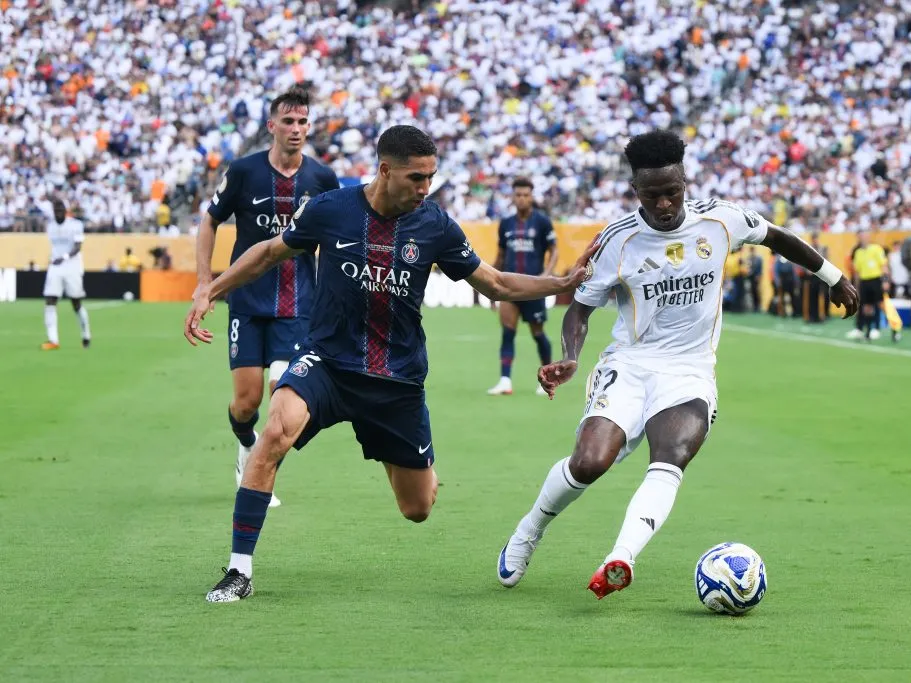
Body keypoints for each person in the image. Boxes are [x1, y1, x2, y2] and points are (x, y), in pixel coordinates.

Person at [184, 124, 597, 603]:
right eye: (416, 178)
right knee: (274, 430)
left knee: (417, 507)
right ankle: (239, 571)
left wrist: (561, 282)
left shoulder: (435, 225)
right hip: (328, 364)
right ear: (385, 170)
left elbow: (497, 283)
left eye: (430, 178)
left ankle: (388, 446)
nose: (425, 189)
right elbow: (269, 254)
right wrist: (209, 289)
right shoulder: (330, 209)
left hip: (396, 381)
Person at [495, 130, 858, 599]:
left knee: (670, 459)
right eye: (653, 195)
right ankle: (529, 531)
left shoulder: (721, 219)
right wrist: (570, 356)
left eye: (672, 192)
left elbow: (778, 237)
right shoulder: (618, 240)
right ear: (635, 192)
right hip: (630, 364)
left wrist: (831, 277)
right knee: (588, 463)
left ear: (685, 181)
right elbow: (581, 308)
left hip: (689, 370)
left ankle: (619, 558)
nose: (664, 204)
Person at [195, 87, 340, 508]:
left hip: (298, 307)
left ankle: (261, 476)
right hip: (247, 302)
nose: (296, 130)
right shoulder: (243, 172)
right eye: (288, 122)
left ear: (308, 127)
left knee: (282, 390)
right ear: (271, 126)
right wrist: (206, 283)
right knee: (246, 404)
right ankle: (246, 445)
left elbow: (333, 242)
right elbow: (209, 222)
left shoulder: (322, 179)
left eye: (302, 122)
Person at [486, 177, 558, 396]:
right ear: (512, 196)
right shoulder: (506, 224)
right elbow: (500, 256)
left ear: (531, 196)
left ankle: (548, 379)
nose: (522, 198)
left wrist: (546, 275)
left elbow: (554, 250)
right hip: (509, 287)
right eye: (518, 195)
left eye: (526, 195)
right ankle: (505, 381)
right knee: (507, 332)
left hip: (533, 287)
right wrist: (491, 285)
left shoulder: (542, 222)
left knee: (538, 334)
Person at [41, 199, 91, 350]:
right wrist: (55, 259)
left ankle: (86, 335)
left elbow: (77, 247)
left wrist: (63, 258)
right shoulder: (50, 227)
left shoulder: (75, 225)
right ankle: (53, 340)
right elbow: (55, 247)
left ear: (65, 211)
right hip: (55, 266)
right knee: (50, 300)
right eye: (55, 211)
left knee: (76, 303)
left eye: (60, 210)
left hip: (72, 266)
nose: (58, 214)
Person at [847, 231, 889, 341]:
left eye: (865, 236)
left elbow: (883, 265)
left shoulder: (876, 248)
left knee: (879, 304)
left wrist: (885, 280)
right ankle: (868, 330)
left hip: (876, 279)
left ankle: (883, 328)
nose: (863, 238)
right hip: (864, 281)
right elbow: (857, 272)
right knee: (866, 306)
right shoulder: (858, 252)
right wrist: (856, 287)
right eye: (861, 237)